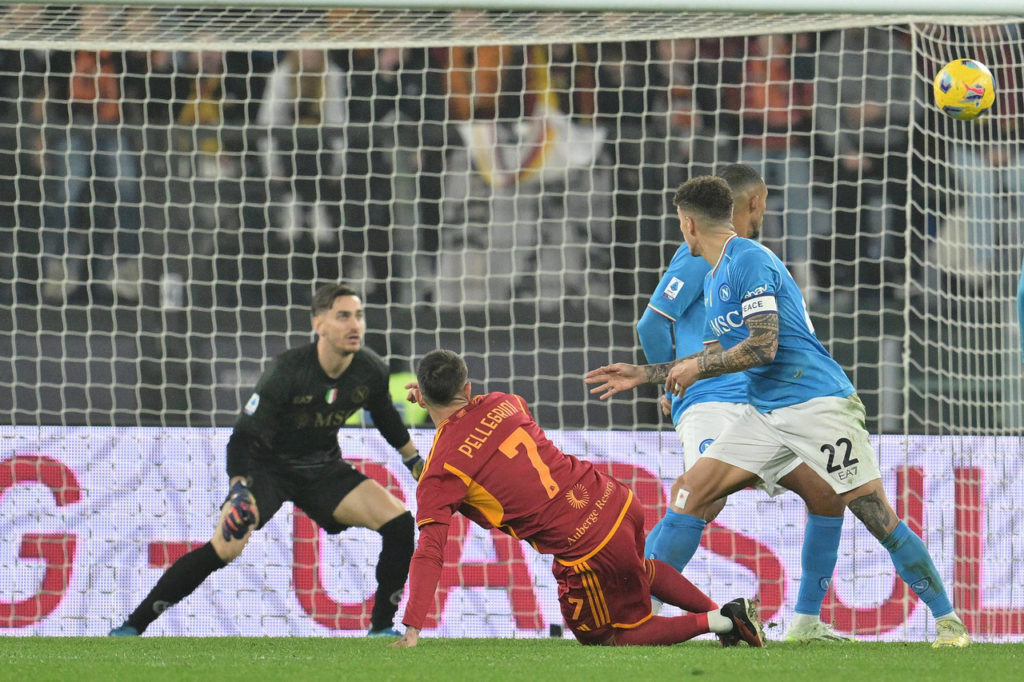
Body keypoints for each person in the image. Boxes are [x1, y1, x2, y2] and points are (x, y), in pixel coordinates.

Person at [586, 176, 971, 648]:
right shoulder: (714, 277)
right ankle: (637, 617)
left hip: (816, 404)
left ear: (687, 225)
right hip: (764, 411)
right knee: (692, 490)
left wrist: (697, 367)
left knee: (874, 515)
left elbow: (763, 346)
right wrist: (646, 375)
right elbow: (708, 356)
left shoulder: (750, 259)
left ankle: (948, 621)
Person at [390, 349, 765, 648]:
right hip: (614, 498)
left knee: (602, 633)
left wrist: (412, 626)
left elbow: (430, 551)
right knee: (638, 568)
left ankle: (721, 620)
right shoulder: (507, 402)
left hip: (586, 543)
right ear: (468, 388)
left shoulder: (439, 471)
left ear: (419, 395)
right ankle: (728, 616)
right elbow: (477, 425)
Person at [109, 283, 423, 637]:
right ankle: (132, 626)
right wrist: (238, 488)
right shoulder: (288, 370)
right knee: (224, 547)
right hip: (266, 470)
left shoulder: (371, 370)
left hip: (322, 469)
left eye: (359, 316)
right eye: (343, 316)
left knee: (399, 523)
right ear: (319, 324)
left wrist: (412, 459)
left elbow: (384, 414)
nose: (355, 325)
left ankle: (381, 628)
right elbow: (242, 437)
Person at [638, 164, 848, 642]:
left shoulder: (747, 258)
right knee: (701, 497)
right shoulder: (699, 255)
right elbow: (651, 326)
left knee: (826, 492)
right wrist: (671, 383)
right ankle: (634, 608)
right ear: (753, 202)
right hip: (713, 398)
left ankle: (806, 623)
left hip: (761, 404)